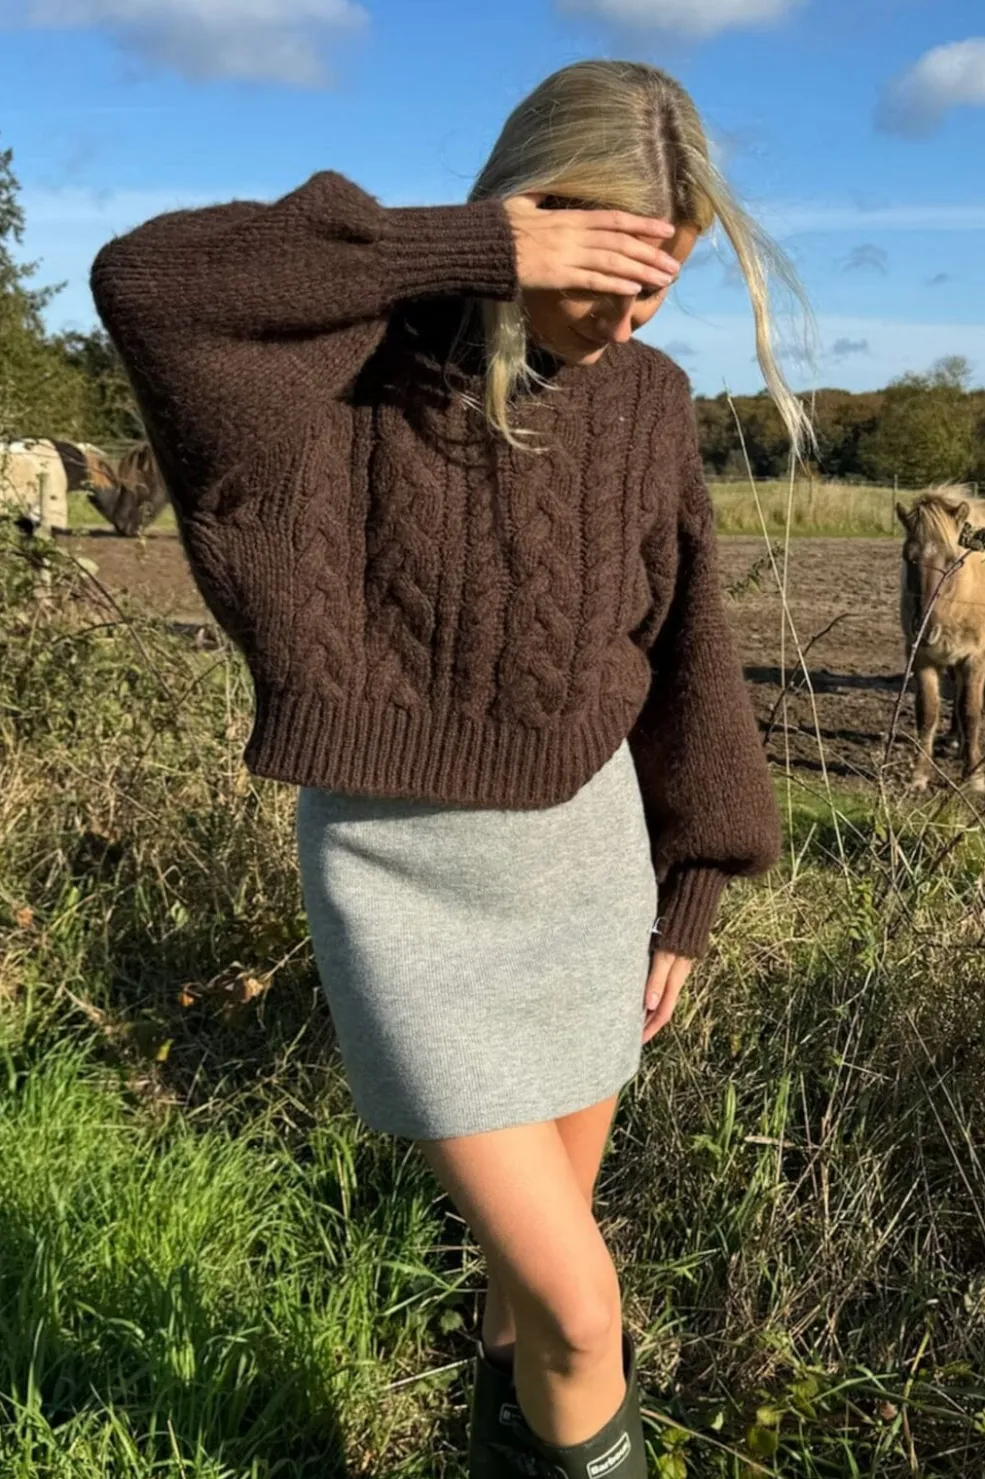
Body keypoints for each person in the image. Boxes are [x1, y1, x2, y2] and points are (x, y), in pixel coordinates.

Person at [90, 56, 813, 1479]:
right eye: (601, 275)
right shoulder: (347, 367)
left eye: (657, 287)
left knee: (527, 1301)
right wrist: (477, 247)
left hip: (588, 866)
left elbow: (685, 649)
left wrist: (695, 880)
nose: (625, 319)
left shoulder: (649, 400)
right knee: (584, 1309)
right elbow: (150, 284)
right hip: (399, 873)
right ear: (529, 215)